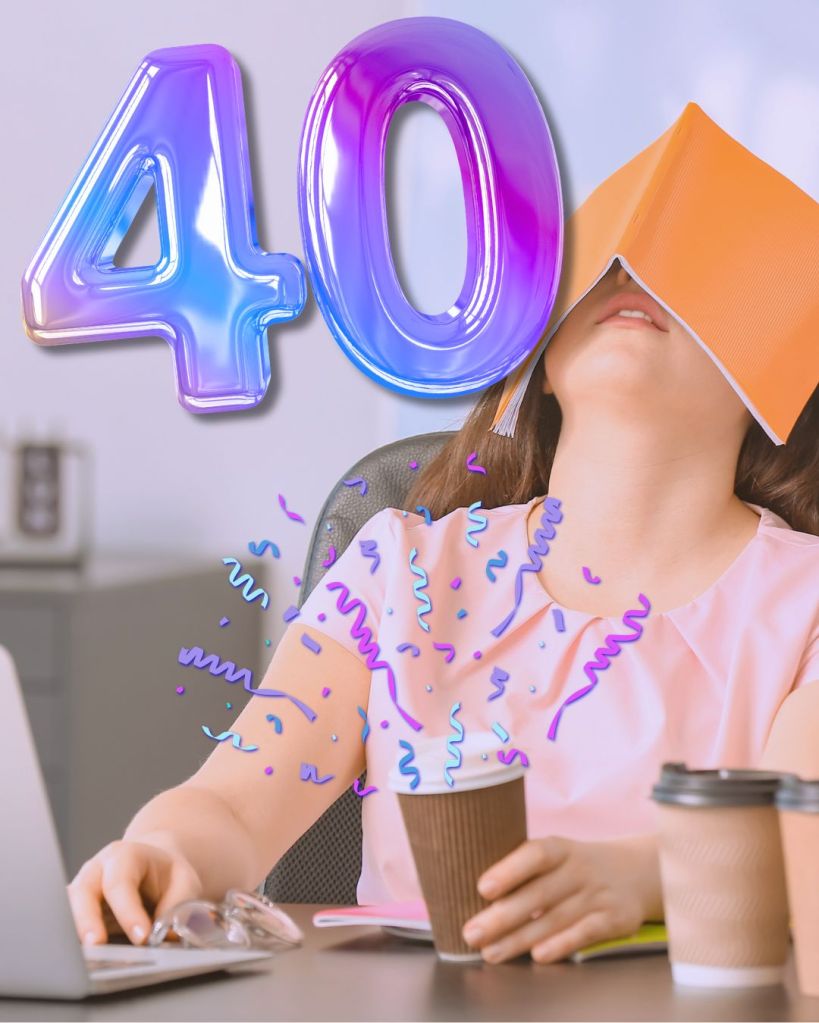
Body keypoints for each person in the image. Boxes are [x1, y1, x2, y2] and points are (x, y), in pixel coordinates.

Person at [67, 255, 819, 965]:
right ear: (538, 358)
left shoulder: (803, 604)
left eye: (694, 262)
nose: (635, 273)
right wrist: (161, 852)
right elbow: (231, 805)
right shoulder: (399, 571)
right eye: (609, 255)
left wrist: (644, 876)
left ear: (771, 370)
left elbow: (796, 834)